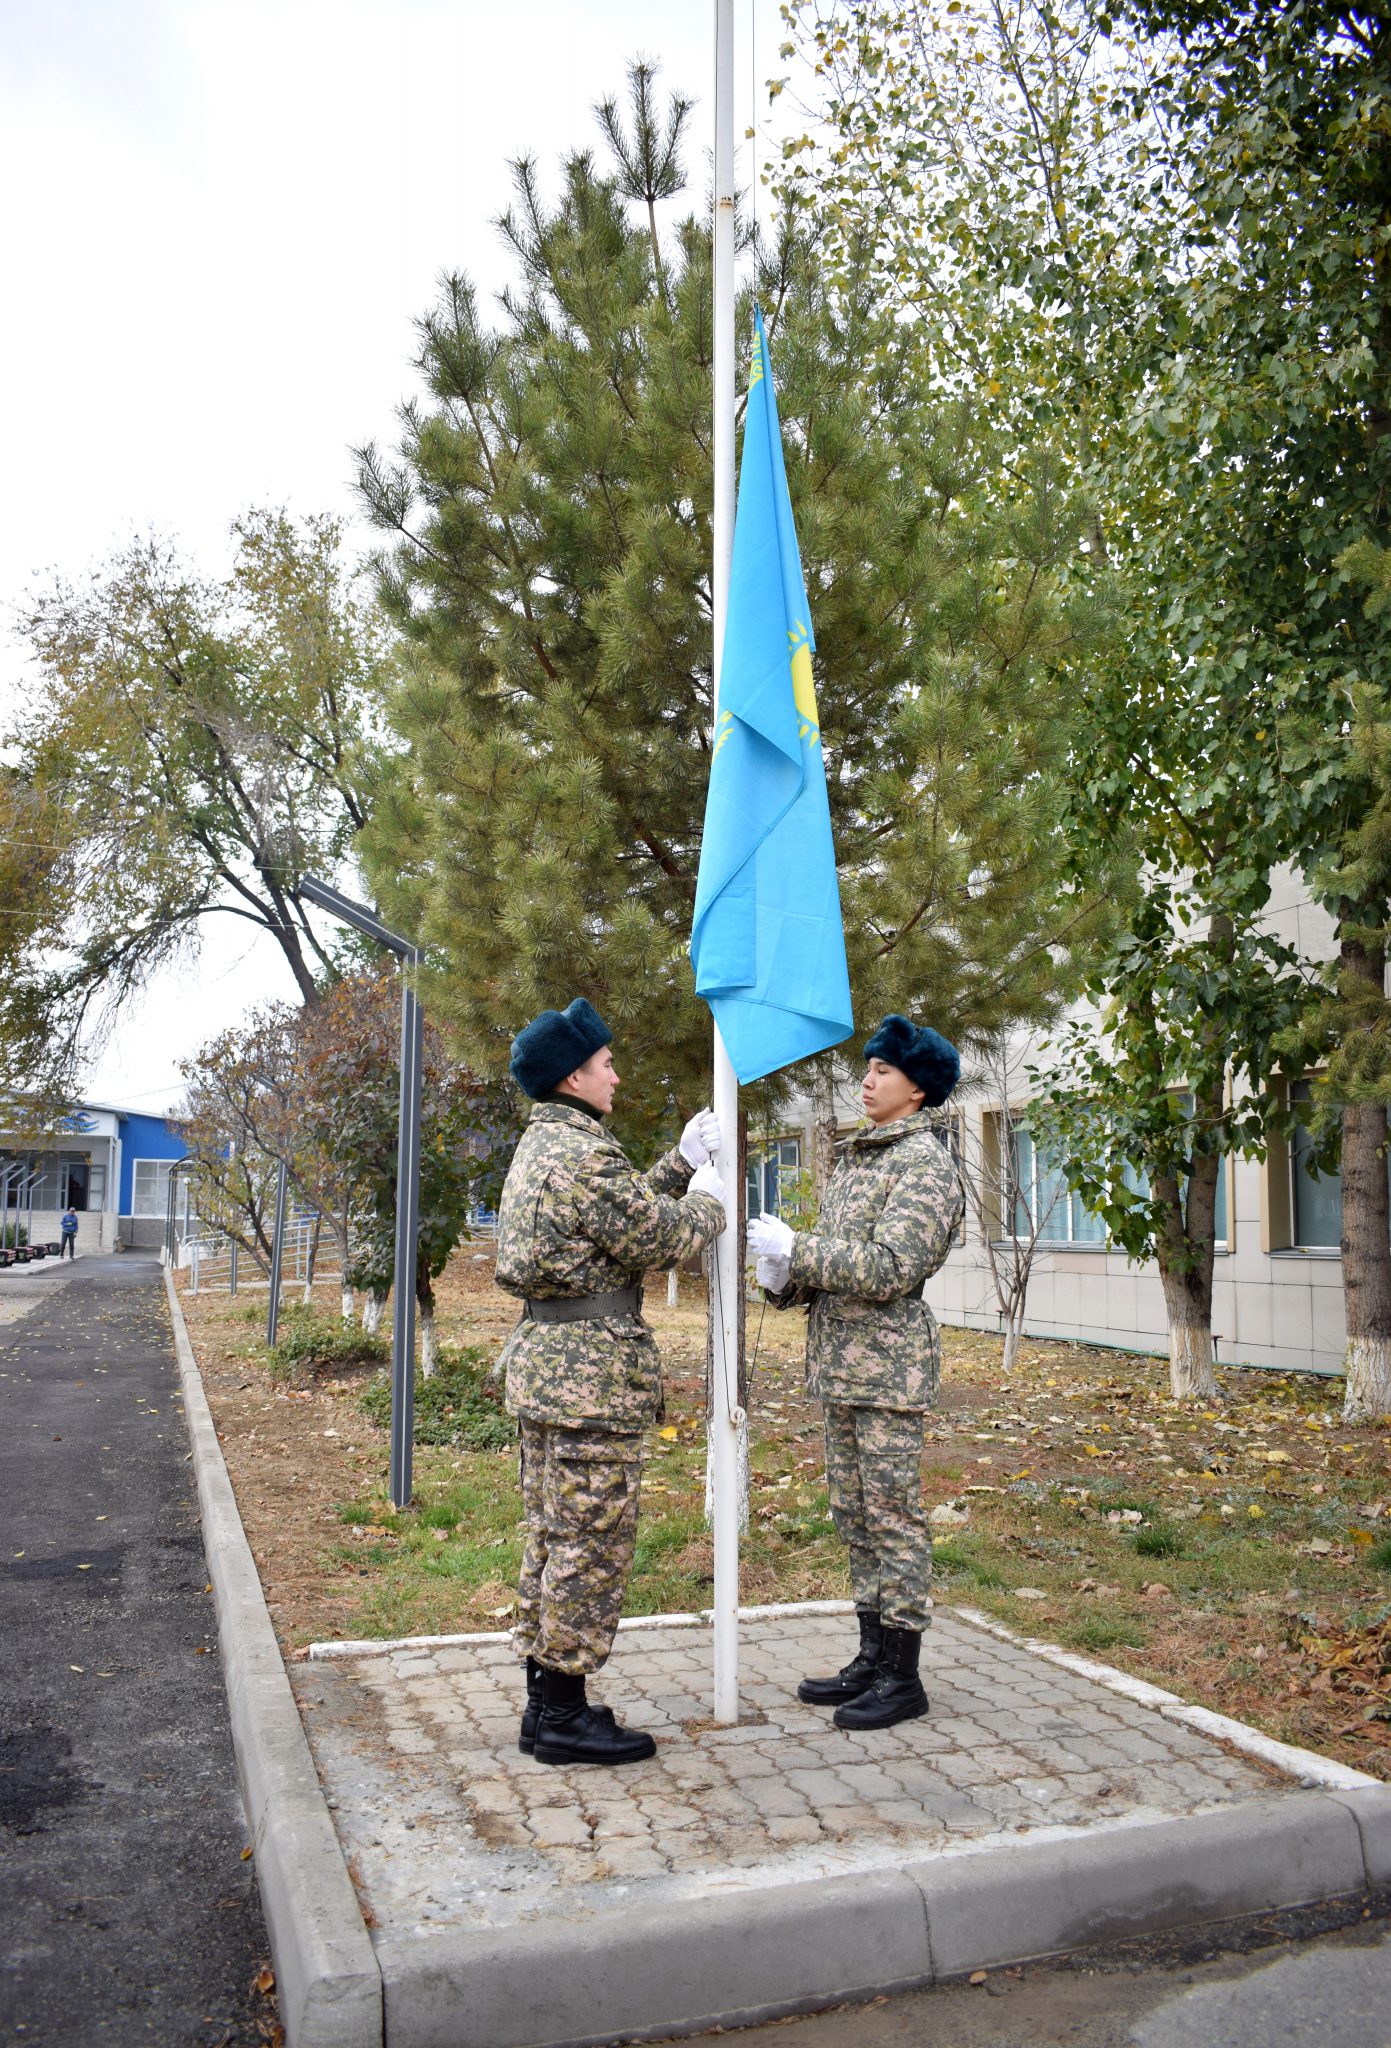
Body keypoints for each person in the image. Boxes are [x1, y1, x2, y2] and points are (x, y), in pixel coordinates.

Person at [495, 997, 727, 1767]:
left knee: (554, 1537)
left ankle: (546, 1707)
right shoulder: (582, 1156)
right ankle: (563, 1717)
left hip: (551, 1371)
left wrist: (679, 1163)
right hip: (588, 1381)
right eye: (605, 1064)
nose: (615, 1076)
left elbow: (612, 1217)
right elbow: (654, 1237)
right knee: (589, 1544)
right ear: (573, 1076)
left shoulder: (551, 1145)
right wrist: (708, 1202)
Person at [748, 1014, 964, 1731]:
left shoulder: (923, 1165)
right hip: (841, 1367)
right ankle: (871, 1658)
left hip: (888, 1371)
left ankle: (903, 1675)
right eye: (867, 1068)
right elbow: (833, 1267)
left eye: (882, 1071)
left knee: (893, 1517)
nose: (866, 1081)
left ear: (917, 1089)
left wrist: (801, 1248)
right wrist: (783, 1276)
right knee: (854, 1514)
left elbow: (891, 1269)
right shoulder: (862, 1158)